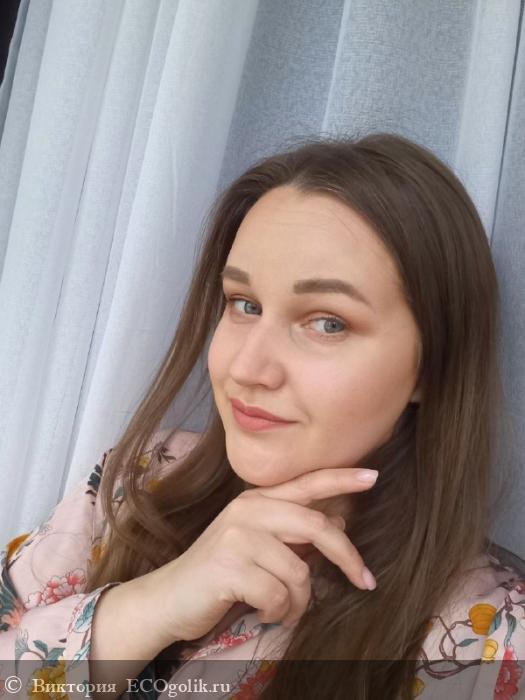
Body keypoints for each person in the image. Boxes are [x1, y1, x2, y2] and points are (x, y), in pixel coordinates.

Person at [1, 132, 524, 700]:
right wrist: (147, 607)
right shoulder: (138, 483)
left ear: (431, 365)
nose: (247, 368)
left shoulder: (486, 641)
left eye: (327, 322)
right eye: (243, 304)